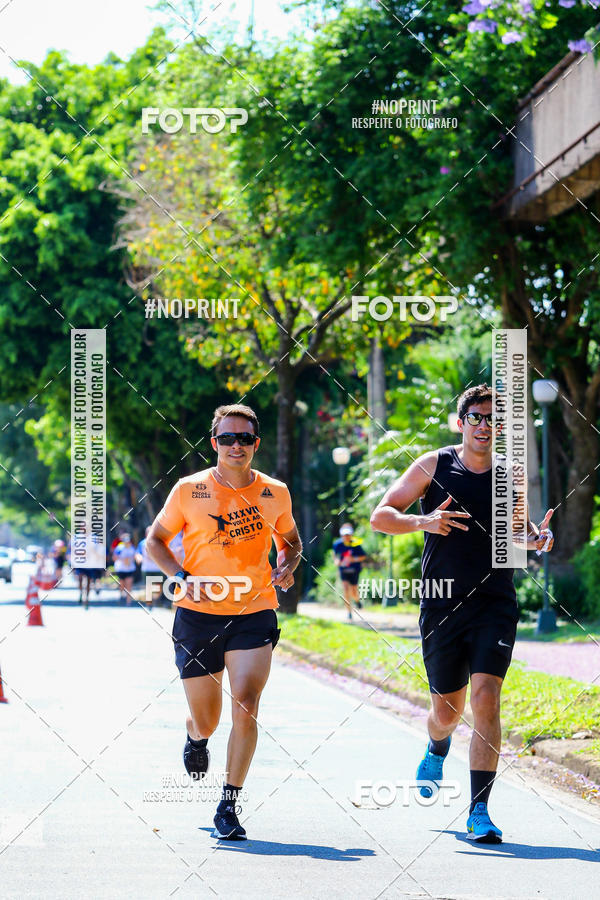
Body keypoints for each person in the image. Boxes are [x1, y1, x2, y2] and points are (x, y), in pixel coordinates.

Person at [370, 384, 554, 843]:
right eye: (476, 417)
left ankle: (479, 812)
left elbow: (516, 532)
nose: (484, 425)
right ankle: (437, 745)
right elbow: (381, 515)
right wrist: (424, 521)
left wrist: (536, 539)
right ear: (461, 422)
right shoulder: (433, 466)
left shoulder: (509, 475)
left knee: (487, 698)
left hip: (495, 602)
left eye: (493, 419)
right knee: (447, 712)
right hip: (442, 604)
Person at [146, 403, 302, 841]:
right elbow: (155, 541)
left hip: (254, 611)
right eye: (228, 438)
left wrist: (287, 564)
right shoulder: (188, 489)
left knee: (246, 703)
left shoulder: (275, 492)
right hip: (198, 615)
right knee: (208, 720)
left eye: (245, 438)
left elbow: (291, 541)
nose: (237, 445)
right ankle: (196, 737)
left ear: (256, 444)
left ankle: (228, 804)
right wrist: (180, 576)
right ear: (214, 443)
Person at [332, 524, 367, 619]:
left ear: (351, 535)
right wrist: (336, 561)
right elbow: (335, 556)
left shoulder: (356, 544)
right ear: (342, 535)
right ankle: (349, 612)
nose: (346, 537)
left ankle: (357, 600)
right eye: (345, 535)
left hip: (354, 570)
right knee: (346, 590)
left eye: (348, 535)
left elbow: (363, 556)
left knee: (354, 591)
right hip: (343, 570)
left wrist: (353, 559)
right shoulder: (337, 544)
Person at [136, 526, 166, 607]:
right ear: (146, 534)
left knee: (159, 587)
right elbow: (138, 553)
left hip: (158, 568)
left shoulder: (160, 542)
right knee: (148, 586)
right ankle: (149, 603)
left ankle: (155, 598)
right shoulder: (142, 543)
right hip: (147, 569)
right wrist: (139, 558)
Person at [113, 533, 137, 604]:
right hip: (121, 569)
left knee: (129, 583)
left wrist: (130, 559)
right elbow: (114, 557)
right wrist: (123, 560)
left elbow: (135, 556)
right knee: (122, 584)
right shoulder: (119, 548)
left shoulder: (132, 548)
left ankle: (128, 600)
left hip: (130, 569)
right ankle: (121, 595)